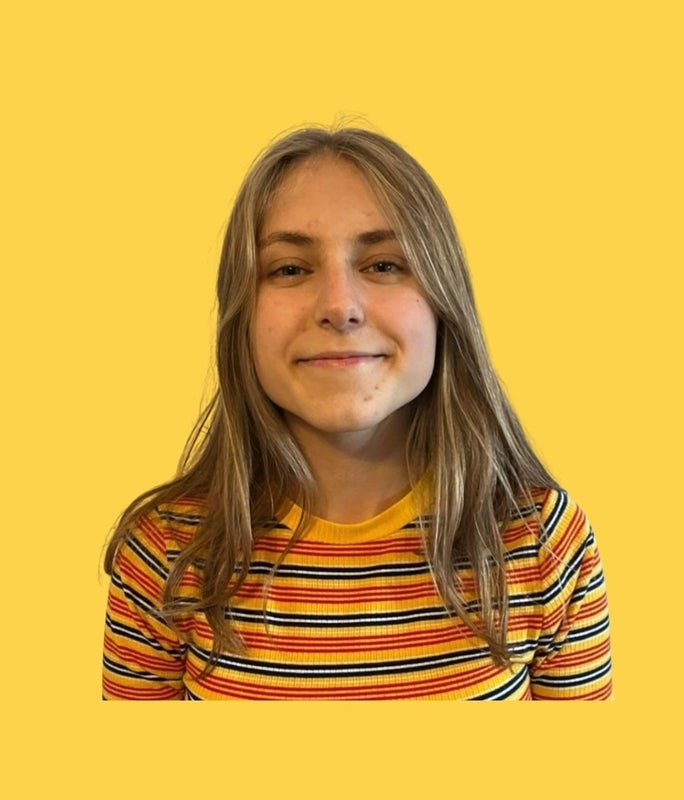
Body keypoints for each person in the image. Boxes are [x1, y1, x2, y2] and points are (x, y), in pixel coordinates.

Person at [102, 126, 612, 700]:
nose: (340, 307)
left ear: (446, 304)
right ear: (240, 316)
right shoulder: (167, 554)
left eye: (385, 264)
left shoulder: (542, 541)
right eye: (290, 269)